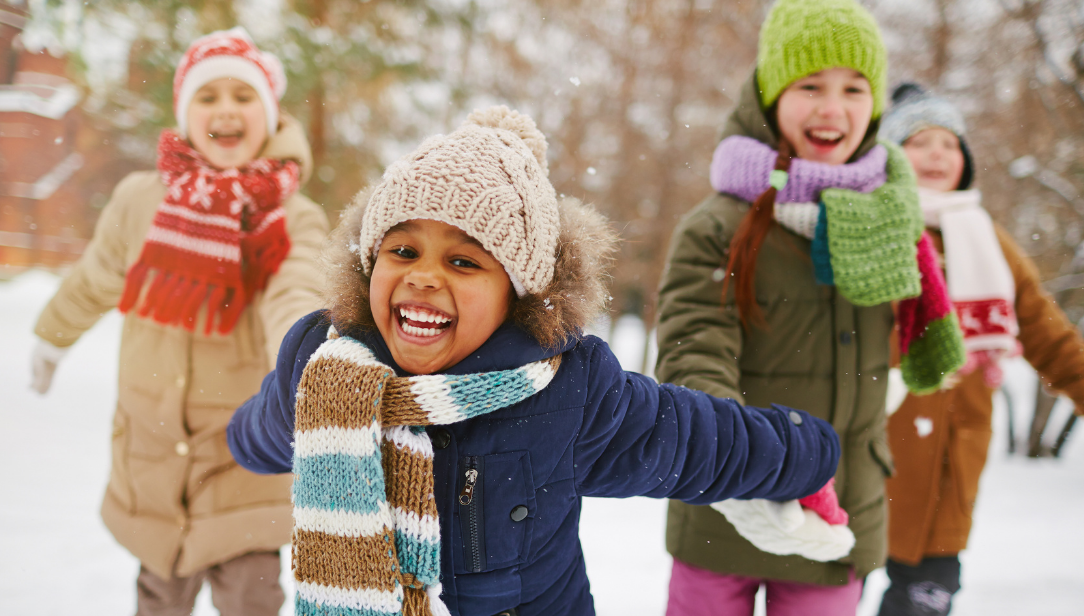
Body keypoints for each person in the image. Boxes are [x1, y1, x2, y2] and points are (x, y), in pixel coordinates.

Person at [226, 105, 843, 615]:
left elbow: (696, 440)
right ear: (368, 265)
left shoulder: (567, 392)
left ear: (517, 292)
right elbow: (268, 429)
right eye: (403, 250)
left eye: (464, 261)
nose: (423, 277)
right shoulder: (328, 370)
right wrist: (240, 436)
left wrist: (807, 452)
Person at [654, 1, 967, 614]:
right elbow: (695, 353)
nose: (833, 107)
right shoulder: (716, 226)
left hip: (840, 514)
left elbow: (903, 349)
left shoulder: (893, 220)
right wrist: (745, 468)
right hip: (726, 512)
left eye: (854, 87)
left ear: (874, 104)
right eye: (810, 85)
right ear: (771, 96)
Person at [29, 27, 329, 615]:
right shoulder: (141, 200)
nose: (225, 110)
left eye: (243, 97)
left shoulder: (291, 215)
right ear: (184, 113)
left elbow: (297, 289)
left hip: (245, 456)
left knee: (250, 598)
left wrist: (305, 363)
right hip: (153, 451)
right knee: (158, 599)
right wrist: (51, 336)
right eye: (207, 96)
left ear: (269, 116)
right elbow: (95, 277)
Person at [877, 83, 1084, 616]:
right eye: (919, 141)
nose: (936, 154)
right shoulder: (869, 232)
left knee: (922, 604)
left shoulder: (989, 243)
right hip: (870, 458)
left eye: (949, 144)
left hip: (952, 466)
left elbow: (1053, 341)